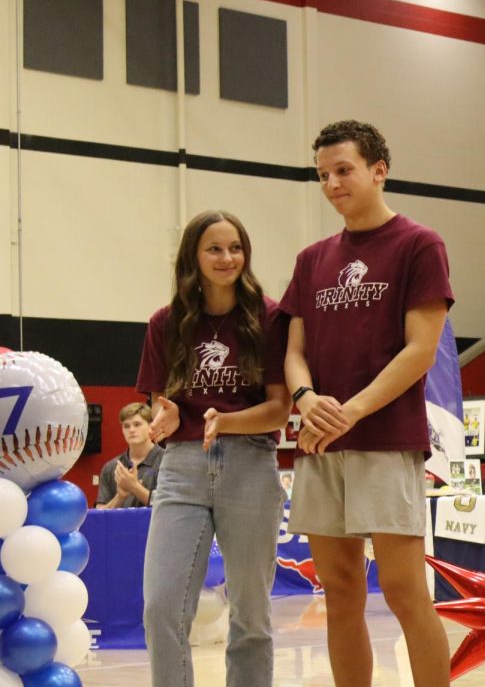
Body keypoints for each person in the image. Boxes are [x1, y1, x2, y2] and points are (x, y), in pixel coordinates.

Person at [282, 120, 453, 687]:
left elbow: (420, 351)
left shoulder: (418, 244)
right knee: (340, 593)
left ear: (379, 170)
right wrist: (307, 399)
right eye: (323, 174)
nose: (332, 183)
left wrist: (349, 411)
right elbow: (294, 354)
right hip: (319, 442)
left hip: (384, 440)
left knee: (405, 592)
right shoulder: (311, 259)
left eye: (343, 170)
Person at [136, 210, 291, 687]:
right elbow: (161, 400)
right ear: (193, 257)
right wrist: (165, 412)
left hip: (250, 464)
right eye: (215, 249)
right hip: (181, 468)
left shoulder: (269, 317)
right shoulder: (167, 322)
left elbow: (279, 410)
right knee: (161, 605)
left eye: (236, 248)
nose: (228, 258)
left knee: (250, 615)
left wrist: (224, 422)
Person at [96, 402, 163, 508]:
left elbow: (168, 505)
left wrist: (134, 487)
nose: (131, 430)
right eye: (126, 426)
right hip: (121, 524)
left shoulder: (166, 461)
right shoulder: (111, 467)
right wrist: (120, 496)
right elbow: (99, 515)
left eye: (137, 424)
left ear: (151, 427)